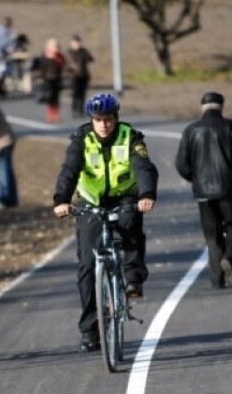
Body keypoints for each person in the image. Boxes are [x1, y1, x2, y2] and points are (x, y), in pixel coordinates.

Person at [53, 93, 158, 351]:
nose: (103, 125)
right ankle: (90, 329)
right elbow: (69, 170)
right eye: (98, 120)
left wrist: (146, 195)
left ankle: (132, 279)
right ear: (92, 120)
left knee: (130, 223)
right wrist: (61, 200)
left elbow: (143, 166)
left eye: (108, 119)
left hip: (125, 198)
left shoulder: (130, 136)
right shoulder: (81, 140)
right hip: (91, 202)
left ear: (116, 118)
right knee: (87, 267)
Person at [175, 92, 232, 288]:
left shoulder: (191, 130)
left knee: (212, 233)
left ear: (203, 107)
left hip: (203, 192)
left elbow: (181, 164)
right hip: (229, 188)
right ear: (222, 107)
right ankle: (229, 258)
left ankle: (216, 277)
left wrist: (195, 179)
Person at [37, 38, 66, 123]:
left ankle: (56, 114)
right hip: (48, 79)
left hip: (57, 78)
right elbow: (42, 67)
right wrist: (43, 77)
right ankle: (50, 114)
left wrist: (56, 57)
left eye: (56, 46)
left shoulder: (59, 56)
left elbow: (62, 64)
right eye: (54, 46)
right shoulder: (45, 55)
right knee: (50, 97)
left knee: (57, 97)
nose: (55, 47)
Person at [66, 34, 94, 118]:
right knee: (75, 94)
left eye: (78, 42)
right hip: (74, 76)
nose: (77, 44)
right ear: (71, 43)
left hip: (83, 75)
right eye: (75, 42)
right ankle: (74, 110)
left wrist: (84, 55)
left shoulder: (83, 51)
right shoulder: (69, 52)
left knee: (82, 94)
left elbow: (91, 59)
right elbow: (67, 63)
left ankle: (81, 111)